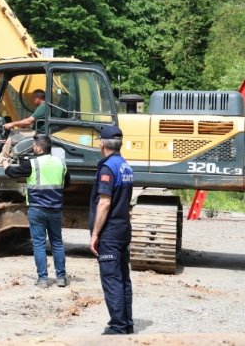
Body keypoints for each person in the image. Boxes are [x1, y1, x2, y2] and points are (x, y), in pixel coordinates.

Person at [1, 134, 69, 288]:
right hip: (55, 209)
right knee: (57, 243)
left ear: (38, 147)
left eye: (33, 145)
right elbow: (67, 182)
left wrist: (4, 161)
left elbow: (11, 173)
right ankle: (61, 277)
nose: (32, 147)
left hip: (37, 209)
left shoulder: (32, 163)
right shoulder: (61, 163)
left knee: (38, 244)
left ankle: (43, 280)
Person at [89, 125, 134, 334]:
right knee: (123, 277)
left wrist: (96, 233)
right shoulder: (125, 166)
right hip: (123, 228)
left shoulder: (108, 168)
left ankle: (117, 326)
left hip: (111, 231)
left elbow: (104, 203)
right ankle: (127, 322)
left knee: (111, 278)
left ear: (102, 144)